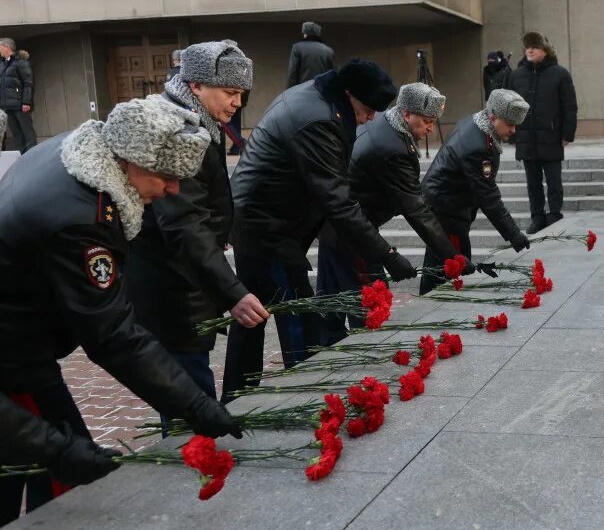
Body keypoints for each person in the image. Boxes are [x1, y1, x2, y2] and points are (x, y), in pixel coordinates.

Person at [0, 98, 243, 524]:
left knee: (62, 459)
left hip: (24, 340)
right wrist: (197, 406)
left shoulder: (76, 156)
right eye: (166, 177)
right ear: (132, 161)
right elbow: (112, 335)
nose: (172, 190)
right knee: (54, 459)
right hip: (13, 351)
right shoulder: (83, 217)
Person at [222, 59, 413, 399]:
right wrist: (387, 254)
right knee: (298, 314)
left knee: (253, 315)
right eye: (368, 110)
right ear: (351, 95)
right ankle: (304, 394)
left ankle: (238, 397)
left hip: (263, 222)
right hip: (266, 228)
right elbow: (336, 199)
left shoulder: (322, 100)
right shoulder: (319, 119)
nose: (371, 118)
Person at [127, 41, 270, 431]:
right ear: (195, 85)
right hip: (170, 284)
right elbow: (184, 225)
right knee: (191, 397)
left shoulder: (200, 119)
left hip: (182, 277)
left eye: (241, 93)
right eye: (229, 92)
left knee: (191, 391)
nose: (237, 102)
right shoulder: (180, 130)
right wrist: (234, 293)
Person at [315, 81, 474, 344]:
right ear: (405, 114)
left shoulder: (386, 127)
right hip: (353, 234)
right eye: (426, 121)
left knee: (332, 301)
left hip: (337, 226)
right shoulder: (392, 148)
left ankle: (324, 349)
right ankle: (369, 361)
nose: (431, 128)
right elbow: (416, 209)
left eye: (433, 121)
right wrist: (452, 256)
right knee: (371, 304)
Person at [420, 89, 532, 295]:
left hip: (446, 204)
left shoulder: (475, 123)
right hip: (447, 209)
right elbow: (488, 195)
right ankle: (431, 303)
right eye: (510, 124)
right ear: (493, 116)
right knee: (449, 264)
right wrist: (513, 234)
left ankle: (435, 299)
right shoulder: (478, 147)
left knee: (448, 261)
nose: (514, 130)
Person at [509, 32, 578, 233]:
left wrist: (567, 134)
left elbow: (569, 107)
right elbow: (509, 107)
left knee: (554, 181)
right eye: (527, 47)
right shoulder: (516, 75)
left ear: (545, 50)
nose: (530, 50)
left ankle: (555, 214)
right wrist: (512, 135)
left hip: (551, 136)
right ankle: (537, 217)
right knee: (533, 183)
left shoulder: (560, 74)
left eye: (535, 47)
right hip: (526, 137)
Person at [0, 39, 36, 153]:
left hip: (20, 104)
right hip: (8, 106)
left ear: (7, 47)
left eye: (0, 47)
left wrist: (26, 102)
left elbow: (28, 83)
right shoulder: (2, 64)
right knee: (17, 135)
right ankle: (23, 158)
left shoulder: (21, 62)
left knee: (27, 133)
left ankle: (33, 156)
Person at [286, 21, 336, 88]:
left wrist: (289, 92)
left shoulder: (297, 47)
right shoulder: (329, 51)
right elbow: (332, 75)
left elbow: (293, 74)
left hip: (302, 90)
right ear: (318, 34)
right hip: (321, 91)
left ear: (305, 34)